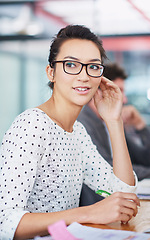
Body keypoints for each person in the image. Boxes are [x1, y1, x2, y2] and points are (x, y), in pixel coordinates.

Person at [0, 25, 140, 240]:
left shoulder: (78, 132)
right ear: (51, 72)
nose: (84, 76)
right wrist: (88, 212)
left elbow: (124, 195)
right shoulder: (32, 125)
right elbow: (5, 222)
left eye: (93, 67)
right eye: (71, 65)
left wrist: (114, 121)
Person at [78, 62, 150, 206]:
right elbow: (108, 169)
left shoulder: (109, 121)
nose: (125, 99)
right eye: (120, 91)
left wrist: (141, 127)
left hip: (121, 201)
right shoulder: (83, 123)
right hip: (98, 206)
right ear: (100, 89)